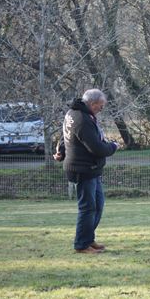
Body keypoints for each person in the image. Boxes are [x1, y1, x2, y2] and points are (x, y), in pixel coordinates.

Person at [55, 89, 118, 254]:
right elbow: (96, 148)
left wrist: (61, 149)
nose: (101, 108)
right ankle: (82, 245)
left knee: (97, 205)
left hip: (91, 169)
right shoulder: (82, 119)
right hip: (82, 168)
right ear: (92, 103)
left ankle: (88, 239)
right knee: (88, 207)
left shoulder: (74, 113)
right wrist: (113, 147)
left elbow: (67, 135)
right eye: (100, 105)